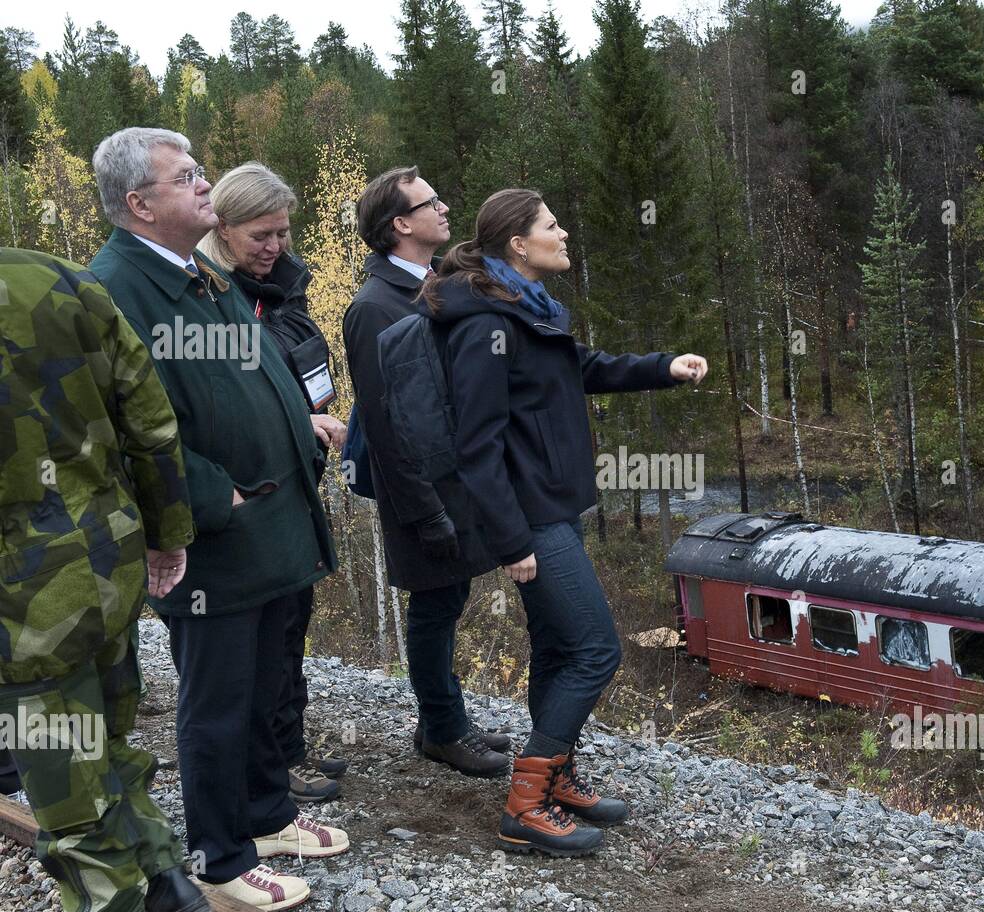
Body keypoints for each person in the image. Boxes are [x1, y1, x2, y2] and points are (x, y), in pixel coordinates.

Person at [88, 128, 348, 912]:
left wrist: (295, 422)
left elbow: (251, 372)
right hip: (217, 536)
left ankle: (266, 815)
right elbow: (124, 425)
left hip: (273, 522)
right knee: (220, 697)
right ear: (139, 203)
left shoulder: (199, 271)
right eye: (188, 176)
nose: (207, 185)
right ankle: (221, 854)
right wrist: (210, 498)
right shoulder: (114, 290)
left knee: (267, 682)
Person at [419, 189, 708, 856]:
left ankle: (557, 775)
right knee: (595, 648)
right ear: (518, 244)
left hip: (554, 507)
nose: (564, 230)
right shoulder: (486, 323)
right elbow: (477, 446)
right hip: (532, 517)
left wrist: (662, 367)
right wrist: (511, 537)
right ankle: (525, 801)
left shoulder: (529, 311)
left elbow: (579, 369)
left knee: (556, 648)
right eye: (552, 224)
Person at [0, 245, 207, 912]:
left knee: (70, 803)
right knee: (105, 738)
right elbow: (149, 418)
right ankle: (165, 874)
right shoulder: (54, 275)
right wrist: (168, 530)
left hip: (21, 600)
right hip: (103, 558)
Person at [344, 165, 512, 778]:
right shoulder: (372, 306)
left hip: (456, 482)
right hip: (420, 492)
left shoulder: (434, 282)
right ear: (400, 224)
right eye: (431, 202)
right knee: (435, 605)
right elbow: (385, 423)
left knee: (451, 597)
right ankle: (442, 731)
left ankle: (447, 721)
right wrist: (423, 509)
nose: (445, 208)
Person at [199, 162, 348, 804]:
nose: (275, 246)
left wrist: (313, 416)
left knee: (293, 624)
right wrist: (297, 420)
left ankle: (289, 750)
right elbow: (224, 403)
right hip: (250, 491)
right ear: (222, 228)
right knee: (263, 640)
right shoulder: (207, 297)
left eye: (283, 232)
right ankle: (271, 772)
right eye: (261, 234)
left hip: (297, 481)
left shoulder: (283, 288)